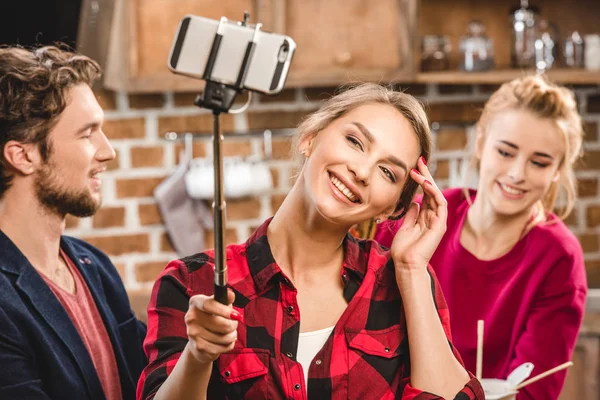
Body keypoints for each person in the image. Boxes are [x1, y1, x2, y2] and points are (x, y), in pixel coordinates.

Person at [137, 83, 484, 400]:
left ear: (392, 208)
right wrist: (198, 356)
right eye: (355, 142)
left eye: (387, 172)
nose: (362, 171)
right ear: (311, 137)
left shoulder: (400, 284)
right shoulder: (192, 281)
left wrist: (410, 269)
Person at [374, 75, 587, 399]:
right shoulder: (419, 217)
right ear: (481, 143)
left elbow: (533, 392)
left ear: (557, 170)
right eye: (505, 152)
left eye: (539, 162)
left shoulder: (559, 257)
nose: (517, 173)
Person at [0, 45, 147, 399]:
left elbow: (153, 380)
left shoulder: (93, 266)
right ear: (23, 155)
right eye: (87, 133)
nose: (107, 151)